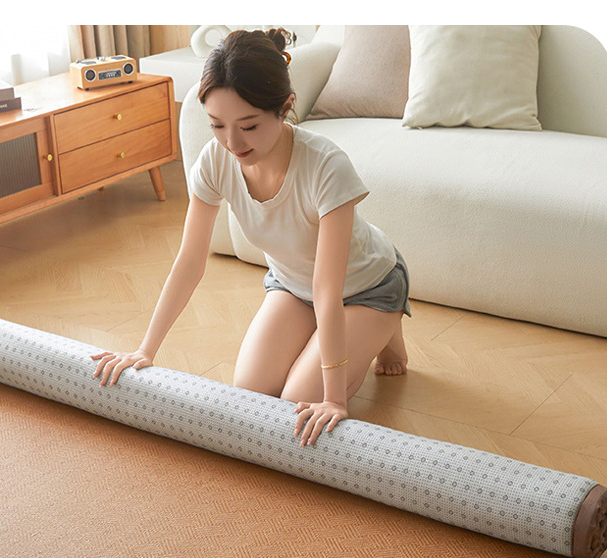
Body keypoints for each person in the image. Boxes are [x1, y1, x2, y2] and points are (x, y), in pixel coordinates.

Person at [91, 28, 410, 447]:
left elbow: (327, 289)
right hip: (293, 286)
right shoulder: (215, 160)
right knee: (250, 395)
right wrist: (145, 350)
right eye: (217, 125)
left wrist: (334, 399)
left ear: (285, 107)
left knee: (298, 404)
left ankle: (386, 324)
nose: (232, 142)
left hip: (366, 286)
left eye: (249, 126)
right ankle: (361, 336)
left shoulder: (326, 166)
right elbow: (190, 261)